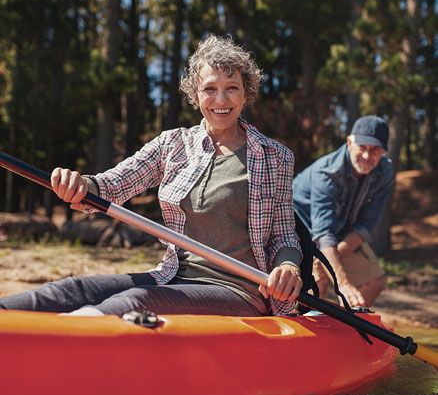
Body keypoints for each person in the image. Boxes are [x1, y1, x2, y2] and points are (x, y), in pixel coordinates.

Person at [0, 34, 303, 317]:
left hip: (239, 290)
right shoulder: (173, 144)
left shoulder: (274, 156)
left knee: (133, 303)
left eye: (232, 88)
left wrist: (289, 266)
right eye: (210, 88)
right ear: (195, 96)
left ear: (246, 94)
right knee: (71, 289)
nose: (221, 100)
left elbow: (284, 235)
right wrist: (83, 185)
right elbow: (113, 185)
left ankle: (64, 345)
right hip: (173, 277)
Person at [293, 115, 394, 308]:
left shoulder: (385, 171)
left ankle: (346, 329)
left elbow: (364, 226)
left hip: (338, 236)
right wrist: (343, 282)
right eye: (362, 147)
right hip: (299, 232)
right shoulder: (327, 173)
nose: (367, 156)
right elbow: (323, 234)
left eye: (375, 150)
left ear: (383, 152)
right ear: (349, 142)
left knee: (376, 281)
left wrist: (326, 263)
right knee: (316, 285)